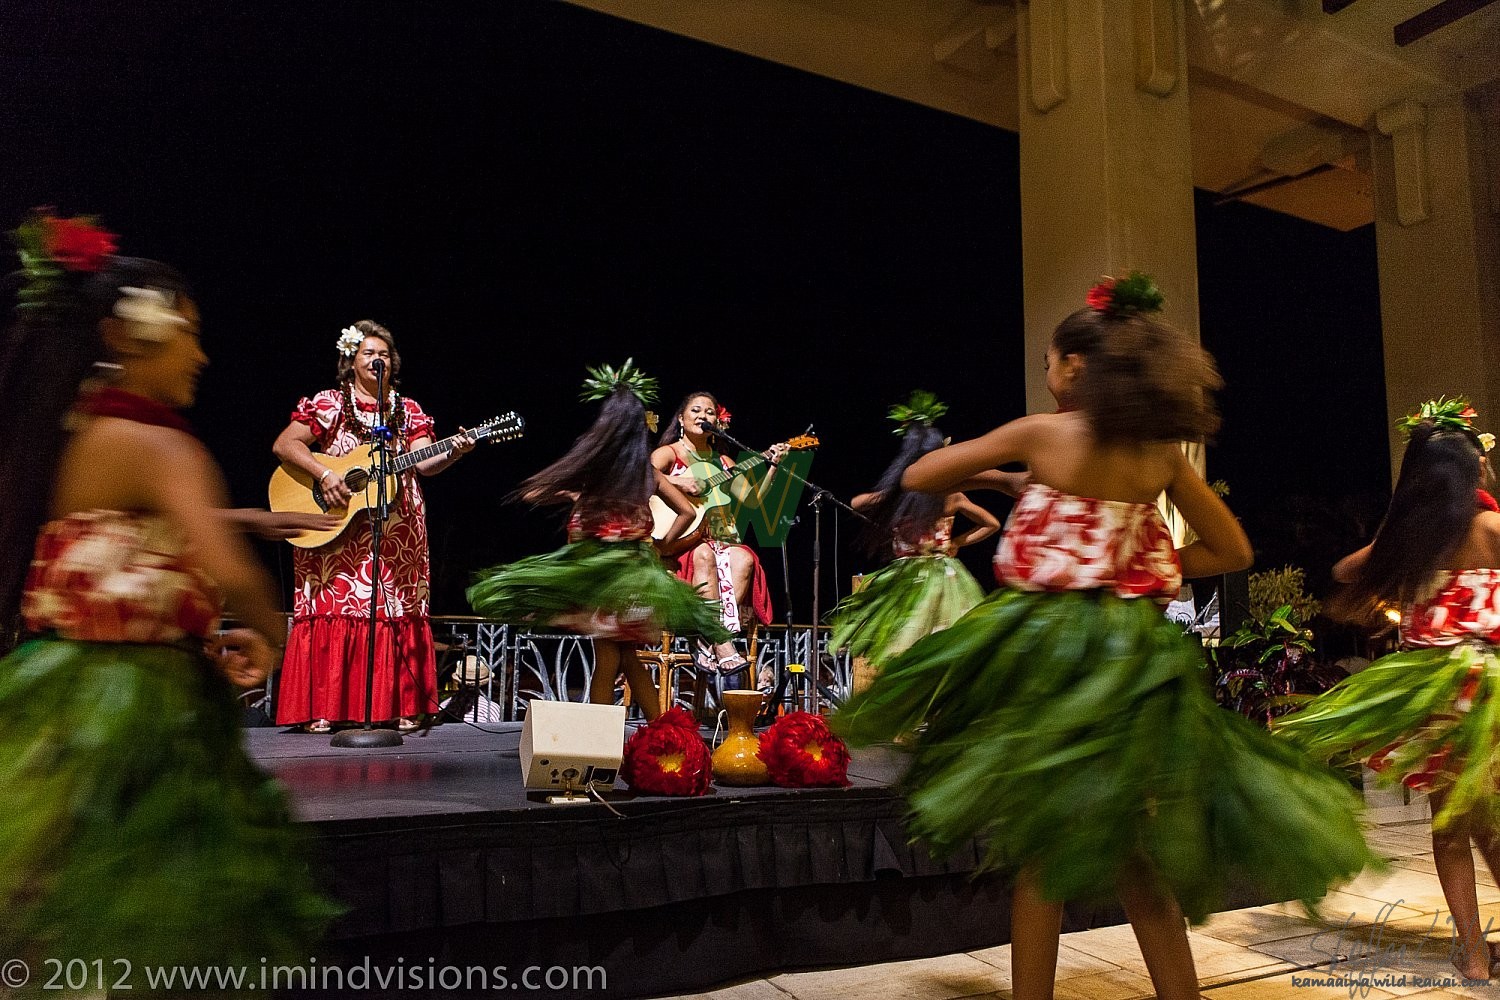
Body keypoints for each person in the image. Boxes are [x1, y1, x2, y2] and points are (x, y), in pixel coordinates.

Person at [833, 273, 1375, 1000]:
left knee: (1041, 857)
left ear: (1077, 367)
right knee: (1134, 850)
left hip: (1052, 653)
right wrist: (1143, 568)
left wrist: (1000, 475)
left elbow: (926, 471)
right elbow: (1234, 552)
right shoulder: (1161, 454)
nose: (1047, 373)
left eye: (1050, 362)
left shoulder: (1042, 434)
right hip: (1136, 658)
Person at [0, 209, 337, 978]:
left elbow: (119, 549)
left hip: (52, 692)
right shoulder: (162, 446)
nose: (203, 354)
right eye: (189, 331)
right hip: (140, 713)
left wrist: (238, 525)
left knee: (57, 903)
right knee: (154, 916)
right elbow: (240, 580)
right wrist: (271, 637)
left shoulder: (69, 437)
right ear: (127, 336)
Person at [1277, 397, 1500, 980]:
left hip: (1433, 694)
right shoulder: (1492, 528)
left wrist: (1403, 531)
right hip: (1492, 691)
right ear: (1474, 470)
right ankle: (1477, 951)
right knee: (1490, 819)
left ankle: (1474, 954)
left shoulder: (1413, 540)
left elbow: (1345, 571)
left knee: (1453, 823)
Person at [468, 361, 728, 720]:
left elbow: (534, 494)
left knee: (609, 657)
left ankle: (601, 738)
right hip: (637, 579)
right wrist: (663, 545)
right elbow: (685, 511)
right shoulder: (644, 473)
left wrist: (574, 494)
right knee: (626, 658)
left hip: (607, 582)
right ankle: (665, 733)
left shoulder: (599, 473)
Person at [272, 319, 474, 734]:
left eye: (384, 353)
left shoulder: (407, 409)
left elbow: (424, 463)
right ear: (351, 361)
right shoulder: (329, 403)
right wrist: (325, 475)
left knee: (392, 608)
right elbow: (285, 445)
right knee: (336, 606)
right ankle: (324, 706)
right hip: (337, 522)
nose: (377, 358)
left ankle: (396, 705)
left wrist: (455, 451)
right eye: (368, 352)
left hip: (397, 526)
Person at [831, 391, 999, 683]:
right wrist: (957, 543)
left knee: (908, 644)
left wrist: (892, 493)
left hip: (913, 576)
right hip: (940, 575)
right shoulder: (949, 494)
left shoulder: (909, 496)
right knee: (936, 642)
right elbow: (991, 524)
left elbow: (857, 502)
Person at [652, 391, 784, 674]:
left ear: (717, 421)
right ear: (681, 419)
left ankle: (706, 639)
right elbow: (640, 475)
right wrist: (680, 481)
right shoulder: (669, 453)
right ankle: (722, 643)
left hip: (717, 537)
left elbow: (752, 500)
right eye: (696, 410)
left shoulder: (723, 462)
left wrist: (772, 467)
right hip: (681, 542)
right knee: (703, 554)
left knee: (744, 559)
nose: (703, 416)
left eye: (709, 412)